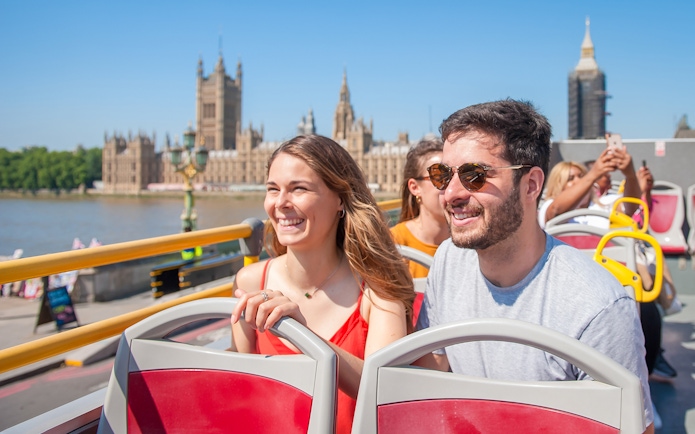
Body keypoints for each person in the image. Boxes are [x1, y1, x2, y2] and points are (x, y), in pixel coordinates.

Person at [415, 99, 654, 433]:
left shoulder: (598, 308)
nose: (450, 193)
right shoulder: (448, 261)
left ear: (531, 185)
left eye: (474, 175)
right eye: (442, 175)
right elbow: (434, 367)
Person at [230, 134, 414, 434]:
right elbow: (243, 391)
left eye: (298, 189)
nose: (280, 203)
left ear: (340, 199)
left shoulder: (378, 290)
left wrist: (305, 335)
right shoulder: (251, 281)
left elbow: (384, 393)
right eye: (272, 189)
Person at [391, 137, 449, 278]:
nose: (451, 186)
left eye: (454, 176)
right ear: (415, 187)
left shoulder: (473, 239)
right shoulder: (394, 241)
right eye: (440, 177)